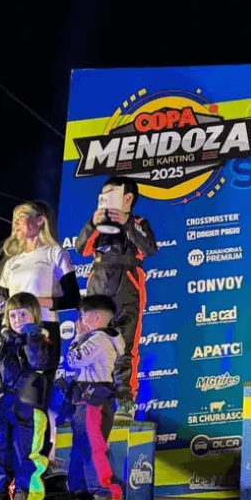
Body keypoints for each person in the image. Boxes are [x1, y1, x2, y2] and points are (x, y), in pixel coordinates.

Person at [0, 200, 80, 468]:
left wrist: (32, 303)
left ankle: (36, 465)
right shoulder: (12, 263)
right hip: (10, 336)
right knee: (7, 400)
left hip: (41, 331)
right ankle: (7, 467)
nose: (16, 222)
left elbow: (72, 298)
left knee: (36, 400)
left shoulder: (54, 253)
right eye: (14, 218)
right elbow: (5, 302)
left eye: (22, 216)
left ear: (40, 220)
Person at [75, 176, 157, 421]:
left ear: (127, 198)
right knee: (92, 341)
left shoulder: (139, 222)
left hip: (127, 283)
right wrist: (93, 223)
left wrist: (126, 221)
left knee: (125, 345)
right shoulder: (98, 223)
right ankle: (91, 400)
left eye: (110, 194)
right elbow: (81, 248)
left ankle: (125, 401)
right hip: (98, 281)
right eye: (103, 195)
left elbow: (149, 248)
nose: (105, 199)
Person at [0, 292, 54, 500]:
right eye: (13, 315)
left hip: (27, 410)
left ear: (35, 315)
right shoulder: (0, 345)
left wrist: (33, 337)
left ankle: (24, 497)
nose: (18, 320)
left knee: (26, 455)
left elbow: (38, 362)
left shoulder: (41, 342)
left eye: (23, 314)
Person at [54, 294, 125, 500]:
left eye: (83, 315)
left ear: (96, 317)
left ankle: (103, 494)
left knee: (92, 447)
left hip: (93, 399)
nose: (80, 321)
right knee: (81, 449)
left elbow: (73, 361)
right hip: (88, 398)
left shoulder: (99, 339)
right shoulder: (100, 338)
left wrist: (78, 337)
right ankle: (82, 497)